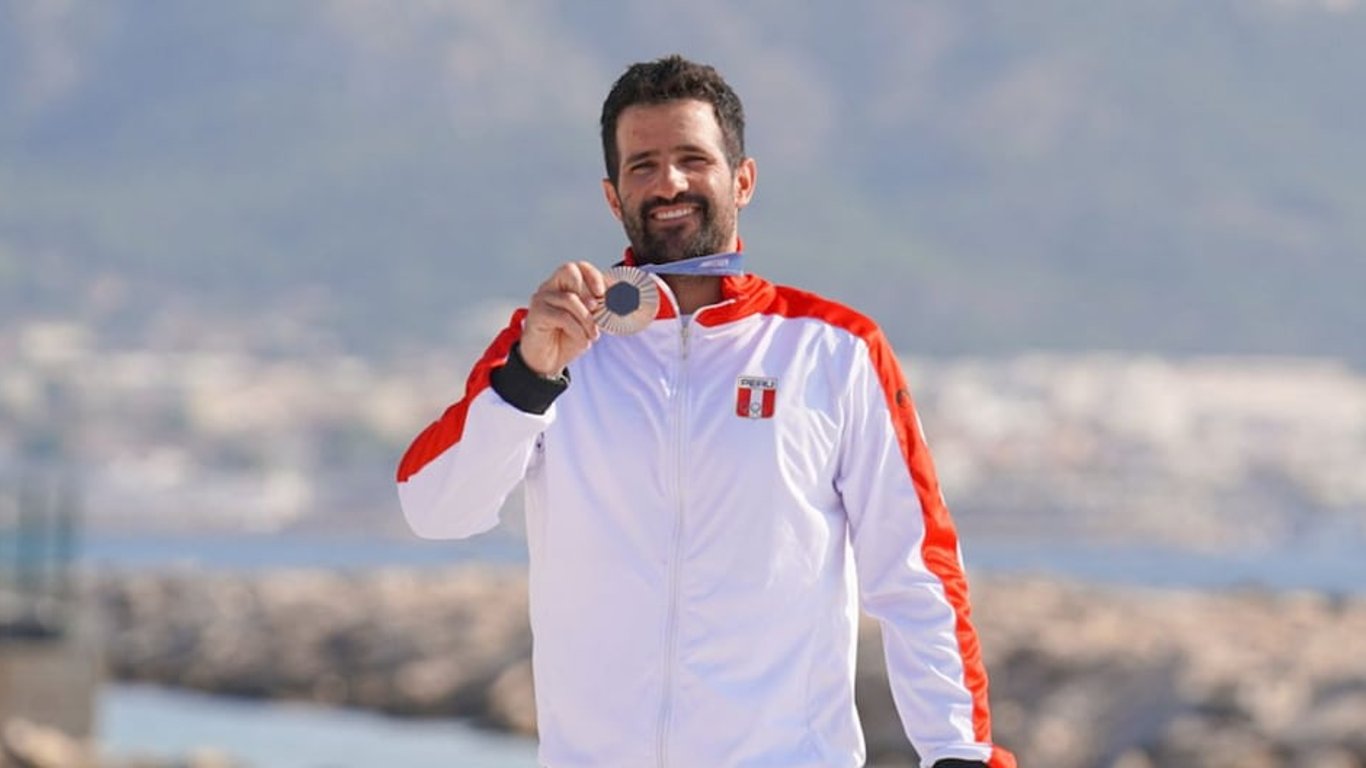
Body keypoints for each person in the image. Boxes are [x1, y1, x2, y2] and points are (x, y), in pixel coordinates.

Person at [396, 55, 1015, 768]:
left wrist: (960, 753)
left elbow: (916, 569)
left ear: (742, 179)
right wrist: (531, 377)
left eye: (694, 158)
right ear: (612, 194)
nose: (670, 183)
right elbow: (434, 509)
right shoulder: (550, 346)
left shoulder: (834, 350)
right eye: (643, 165)